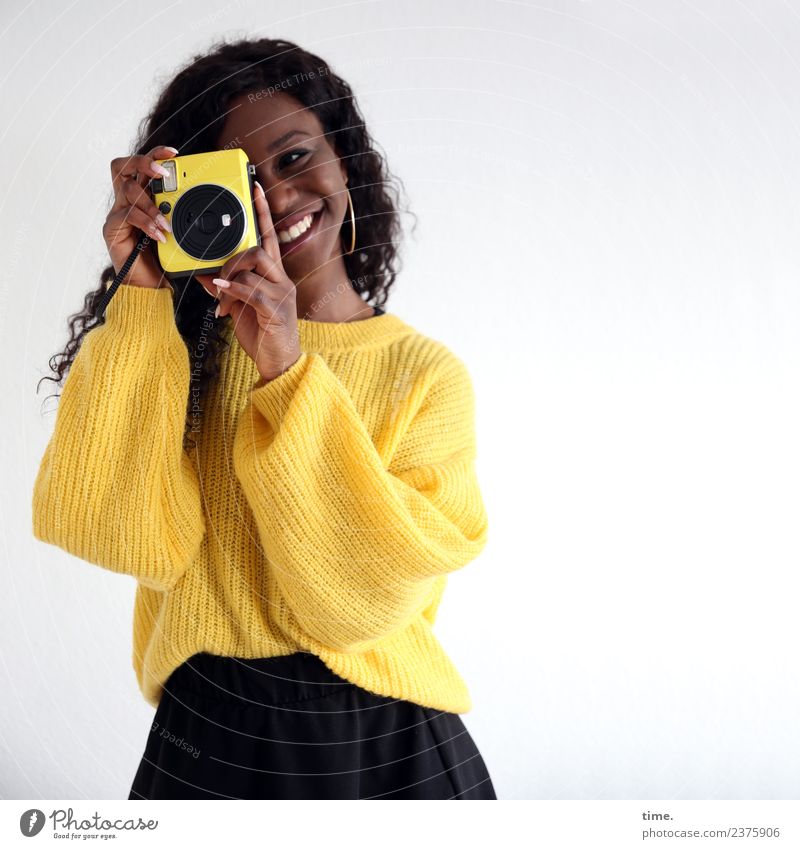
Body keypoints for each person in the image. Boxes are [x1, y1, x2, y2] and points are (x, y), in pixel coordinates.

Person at [32, 36, 496, 800]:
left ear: (344, 158)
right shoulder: (182, 360)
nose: (276, 200)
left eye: (291, 159)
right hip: (206, 733)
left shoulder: (425, 376)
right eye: (235, 181)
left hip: (382, 745)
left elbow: (360, 601)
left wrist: (286, 367)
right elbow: (110, 528)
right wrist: (142, 295)